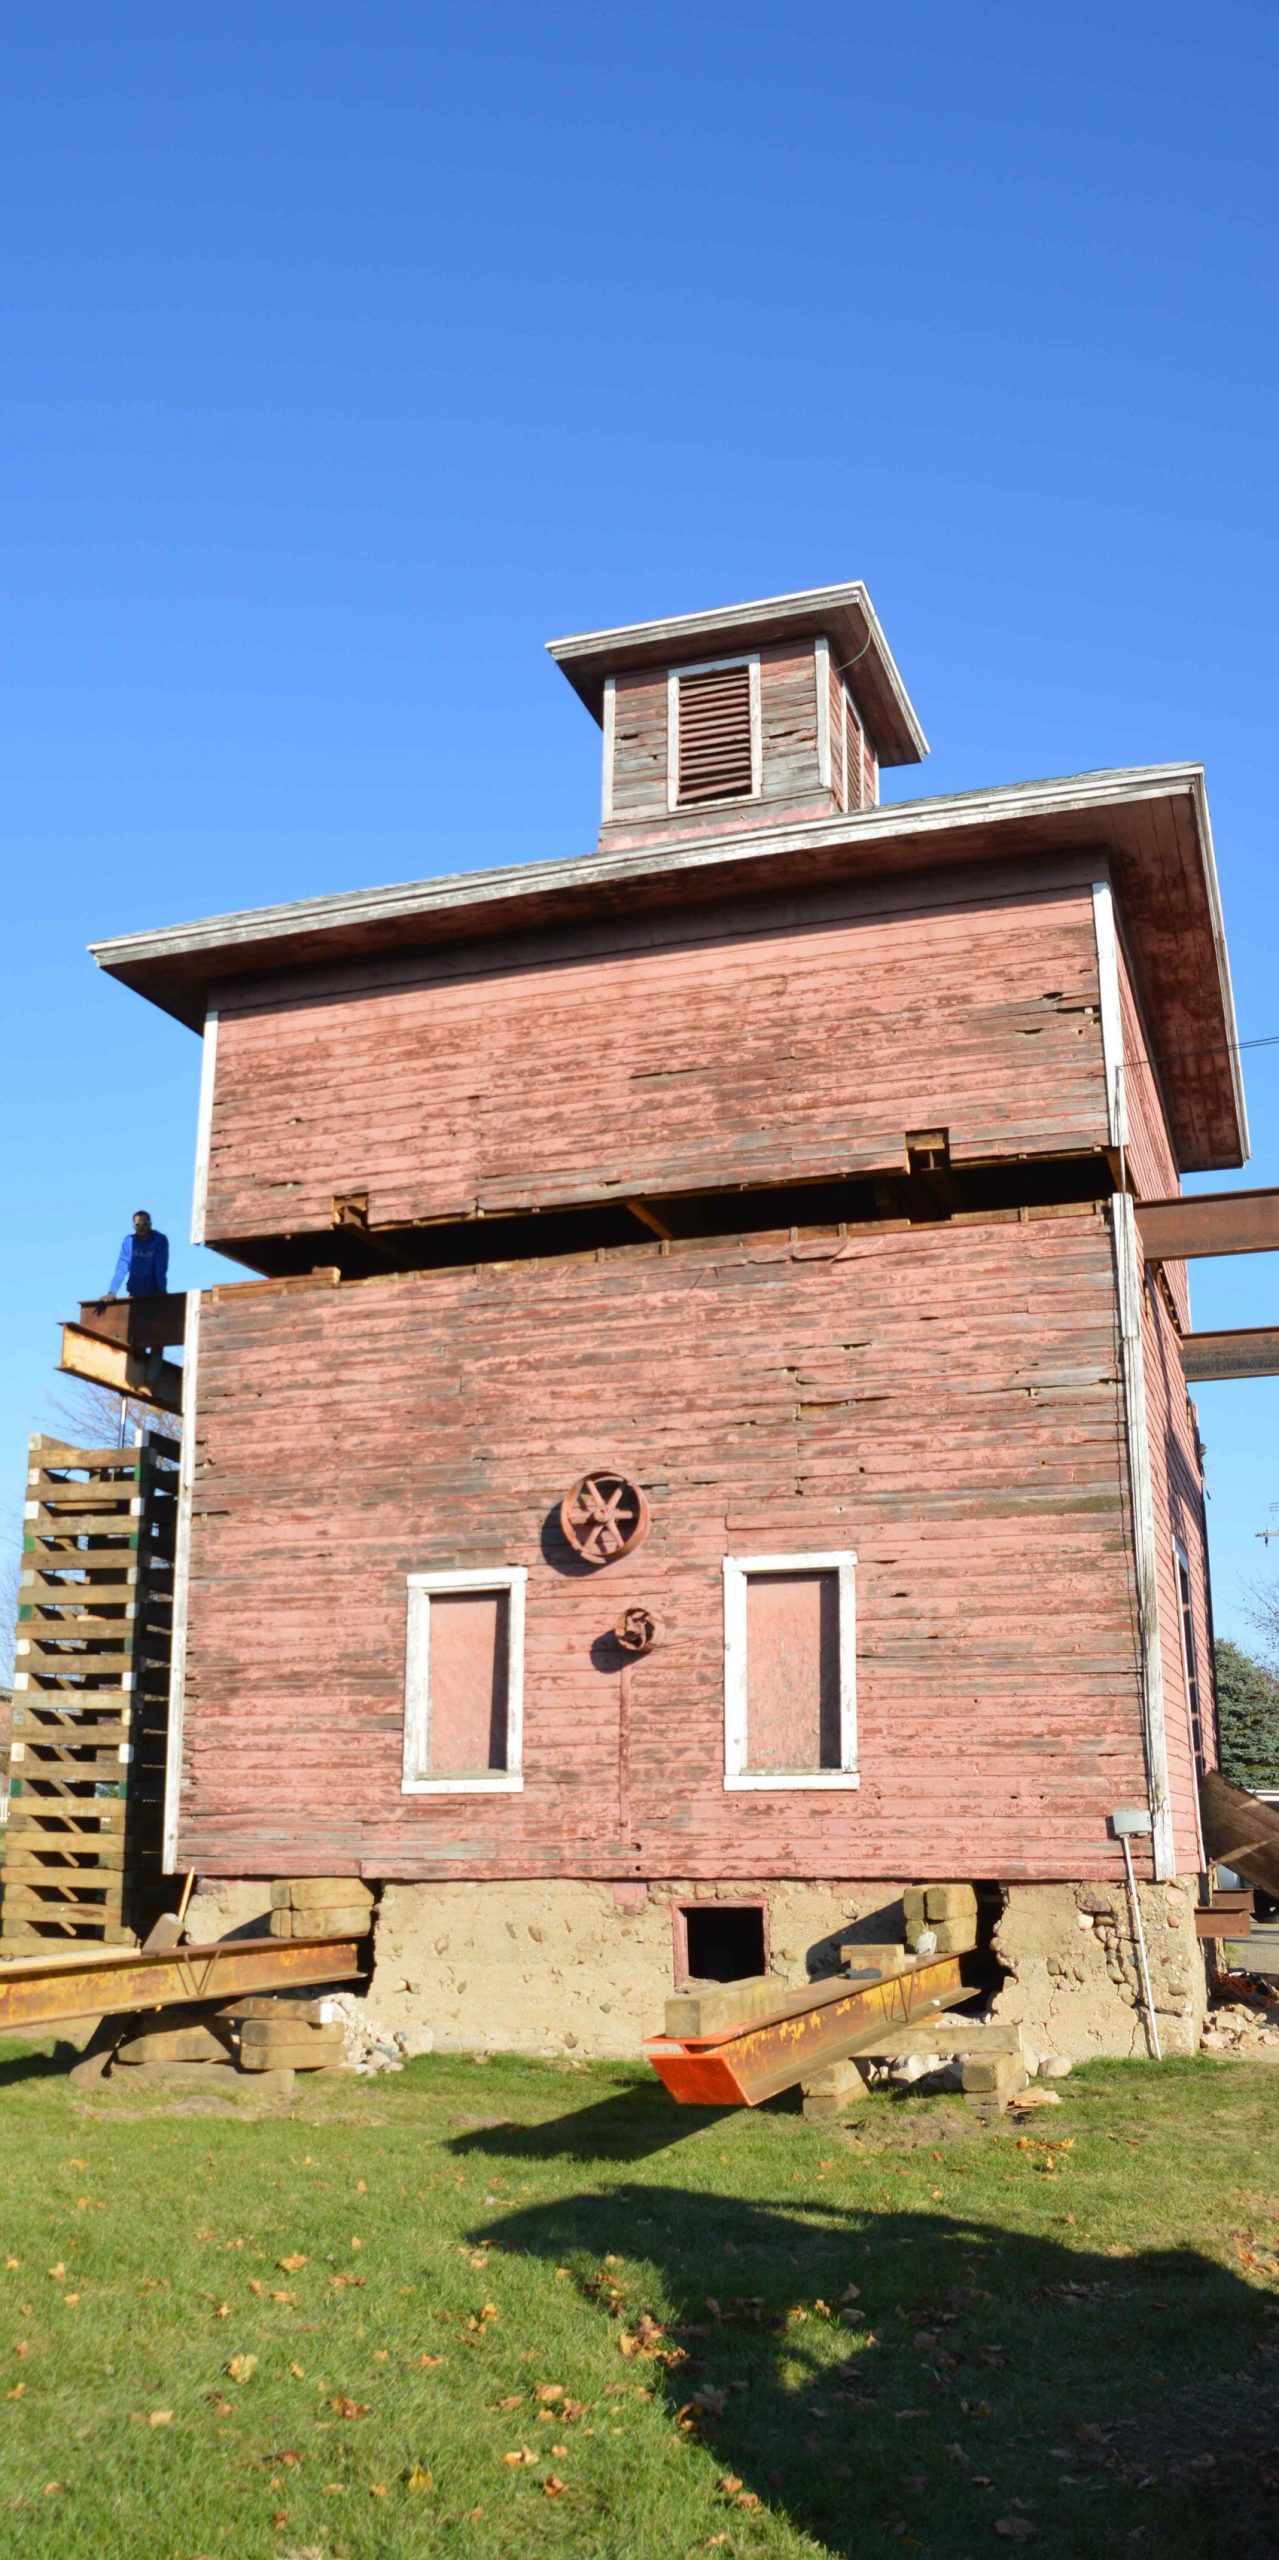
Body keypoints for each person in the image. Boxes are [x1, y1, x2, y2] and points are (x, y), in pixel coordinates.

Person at [104, 1209, 169, 1300]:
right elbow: (122, 1266)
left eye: (144, 1224)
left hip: (154, 1292)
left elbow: (160, 1266)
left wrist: (162, 1290)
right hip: (134, 1292)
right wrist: (112, 1292)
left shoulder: (159, 1240)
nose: (141, 1227)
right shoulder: (129, 1241)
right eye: (138, 1225)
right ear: (133, 1226)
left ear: (150, 1224)